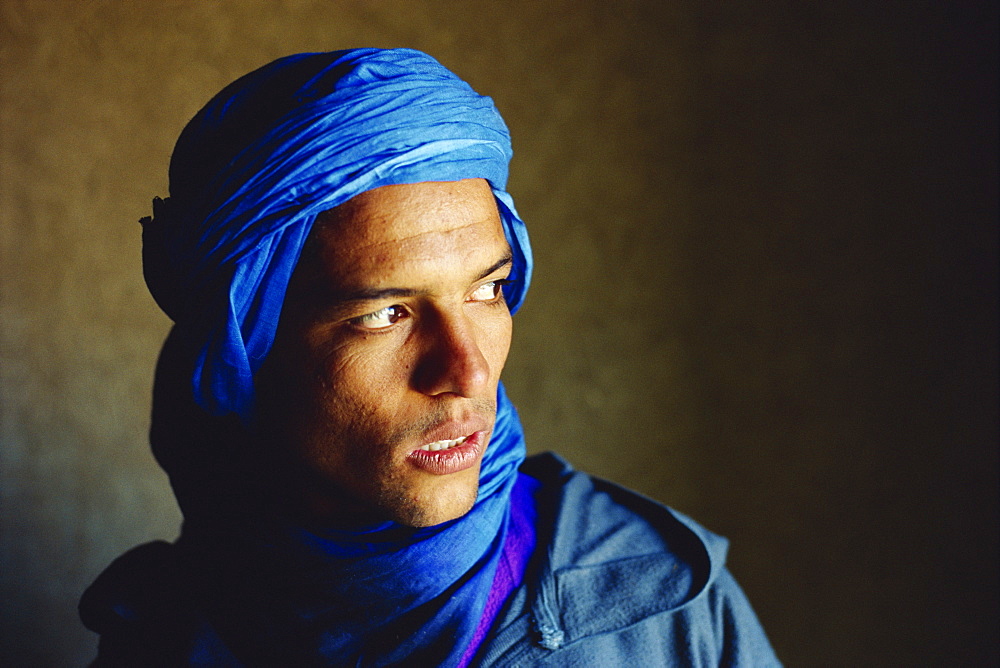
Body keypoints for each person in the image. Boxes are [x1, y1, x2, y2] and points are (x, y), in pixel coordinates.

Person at [80, 48, 781, 667]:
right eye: (385, 314)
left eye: (489, 289)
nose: (468, 373)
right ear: (241, 347)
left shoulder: (663, 604)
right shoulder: (160, 639)